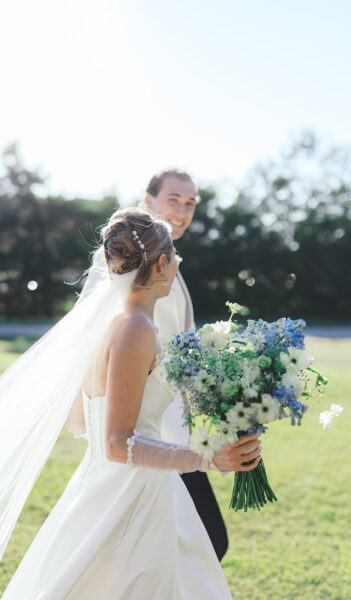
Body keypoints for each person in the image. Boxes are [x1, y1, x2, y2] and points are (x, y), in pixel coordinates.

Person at [2, 207, 263, 598]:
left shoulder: (123, 325)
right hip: (128, 496)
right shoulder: (135, 330)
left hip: (124, 485)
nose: (177, 265)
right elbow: (116, 442)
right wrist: (207, 459)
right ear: (161, 264)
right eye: (174, 256)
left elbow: (84, 422)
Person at [79, 168, 262, 561]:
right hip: (148, 436)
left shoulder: (170, 277)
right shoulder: (126, 297)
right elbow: (107, 362)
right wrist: (205, 456)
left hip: (171, 427)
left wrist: (229, 399)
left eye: (190, 203)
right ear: (150, 203)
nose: (182, 211)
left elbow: (184, 352)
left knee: (192, 548)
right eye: (173, 200)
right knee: (195, 546)